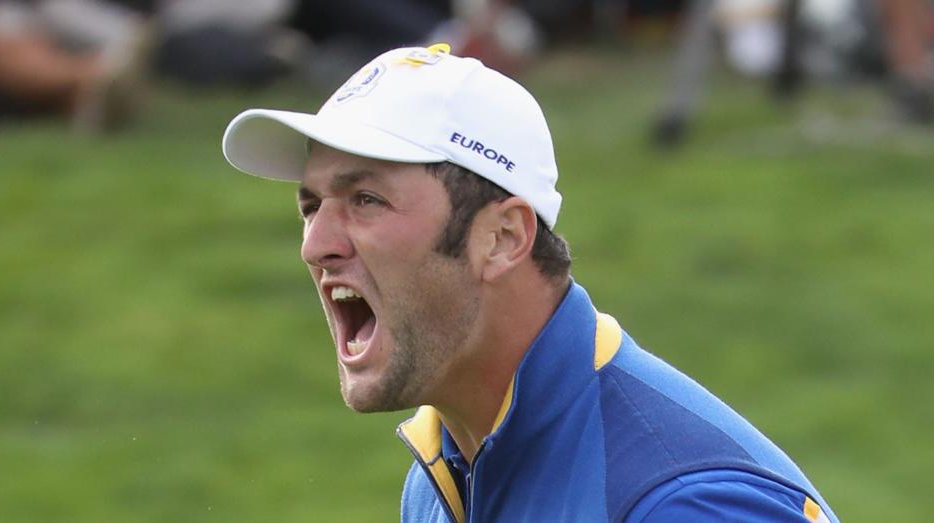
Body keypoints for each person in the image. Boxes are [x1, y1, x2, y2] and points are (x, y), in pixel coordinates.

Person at [221, 43, 839, 522]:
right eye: (311, 206)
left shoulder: (681, 505)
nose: (315, 244)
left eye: (365, 199)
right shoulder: (447, 471)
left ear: (503, 238)